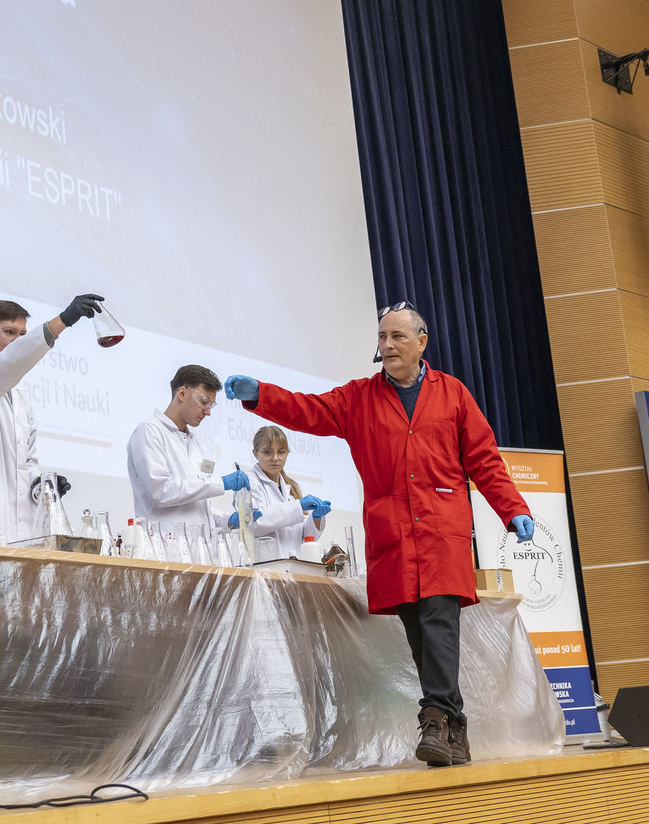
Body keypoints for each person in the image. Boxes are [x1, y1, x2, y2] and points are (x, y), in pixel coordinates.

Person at [224, 303, 533, 768]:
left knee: (439, 621)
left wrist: (513, 508)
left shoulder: (453, 394)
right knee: (419, 633)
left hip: (441, 530)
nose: (387, 346)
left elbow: (484, 460)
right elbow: (309, 410)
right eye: (382, 338)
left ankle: (433, 717)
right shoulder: (359, 398)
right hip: (394, 534)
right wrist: (261, 396)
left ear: (421, 342)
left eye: (397, 337)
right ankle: (455, 727)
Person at [0, 293, 103, 544]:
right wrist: (60, 322)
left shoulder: (22, 398)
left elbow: (27, 463)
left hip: (23, 529)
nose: (19, 341)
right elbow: (1, 368)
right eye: (10, 332)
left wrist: (41, 485)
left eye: (23, 334)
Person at [126, 365, 252, 541]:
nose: (208, 412)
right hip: (166, 548)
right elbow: (161, 492)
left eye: (211, 405)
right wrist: (221, 483)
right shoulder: (149, 431)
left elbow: (197, 505)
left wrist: (227, 520)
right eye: (203, 402)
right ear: (182, 393)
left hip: (201, 549)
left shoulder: (195, 443)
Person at [228, 425, 332, 559]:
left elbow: (303, 537)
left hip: (293, 565)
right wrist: (297, 506)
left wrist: (316, 518)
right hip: (265, 565)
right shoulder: (247, 481)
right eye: (267, 452)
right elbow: (254, 524)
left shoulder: (289, 487)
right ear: (255, 453)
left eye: (281, 452)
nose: (275, 458)